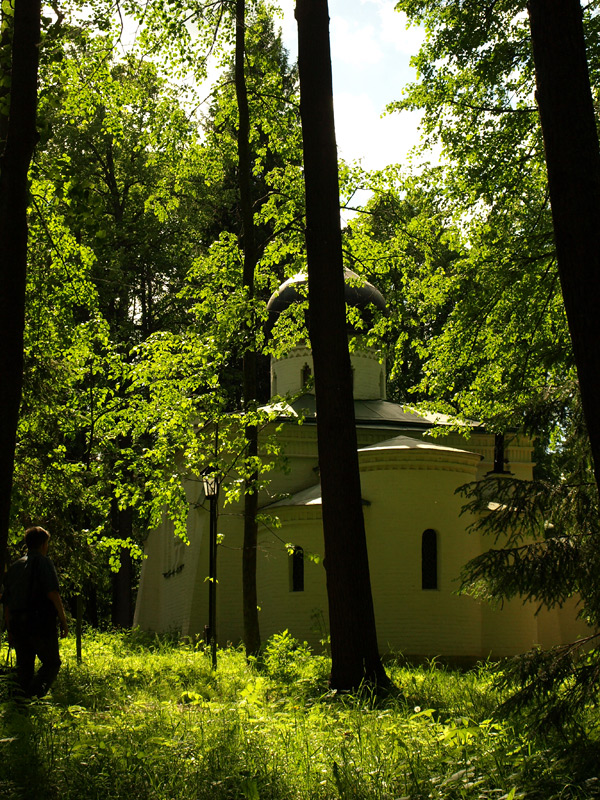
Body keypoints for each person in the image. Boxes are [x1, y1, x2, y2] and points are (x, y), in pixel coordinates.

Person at [1, 526, 68, 698]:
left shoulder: (15, 567)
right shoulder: (44, 563)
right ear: (44, 544)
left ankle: (18, 703)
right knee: (52, 663)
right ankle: (35, 695)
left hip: (17, 622)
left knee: (24, 666)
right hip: (40, 622)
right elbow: (53, 593)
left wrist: (9, 627)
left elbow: (7, 601)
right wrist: (63, 619)